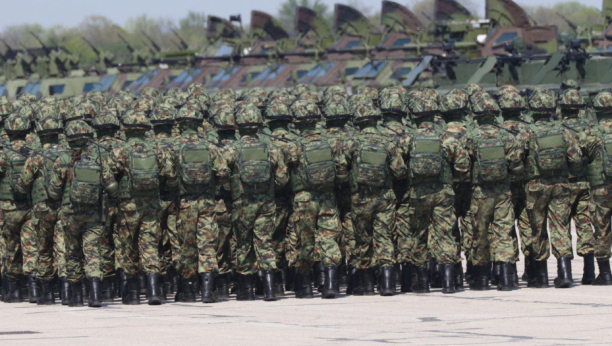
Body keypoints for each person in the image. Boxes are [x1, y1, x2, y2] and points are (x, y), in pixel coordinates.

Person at [397, 97, 470, 293]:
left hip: (418, 194)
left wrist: (410, 176)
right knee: (445, 234)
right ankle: (448, 282)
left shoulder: (407, 139)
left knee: (419, 235)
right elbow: (463, 166)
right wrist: (449, 180)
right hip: (443, 193)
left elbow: (397, 168)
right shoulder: (446, 138)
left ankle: (421, 284)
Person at [48, 120, 118, 307]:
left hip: (70, 213)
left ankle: (76, 296)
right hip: (93, 213)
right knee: (92, 251)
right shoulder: (98, 160)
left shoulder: (62, 160)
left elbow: (53, 192)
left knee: (72, 252)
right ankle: (95, 295)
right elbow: (112, 187)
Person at [109, 110, 173, 304]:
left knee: (128, 246)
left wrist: (115, 194)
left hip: (128, 205)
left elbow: (108, 175)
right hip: (151, 204)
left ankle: (133, 293)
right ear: (146, 129)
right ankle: (153, 290)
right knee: (150, 245)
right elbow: (168, 174)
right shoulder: (157, 149)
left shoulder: (120, 150)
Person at [225, 104, 288, 301]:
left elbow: (220, 173)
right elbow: (282, 179)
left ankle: (246, 290)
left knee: (244, 244)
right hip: (266, 203)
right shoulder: (271, 147)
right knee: (265, 242)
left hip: (242, 203)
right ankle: (269, 289)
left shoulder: (232, 149)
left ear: (239, 126)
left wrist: (233, 187)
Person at [345, 102, 407, 296]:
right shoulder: (388, 142)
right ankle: (387, 284)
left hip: (360, 197)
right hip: (385, 197)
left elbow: (339, 170)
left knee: (363, 239)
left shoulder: (352, 142)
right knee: (385, 237)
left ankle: (367, 284)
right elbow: (399, 171)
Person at [464, 92, 524, 291]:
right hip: (503, 193)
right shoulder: (506, 135)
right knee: (503, 232)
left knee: (479, 233)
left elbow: (463, 166)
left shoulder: (471, 136)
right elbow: (516, 164)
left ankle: (481, 279)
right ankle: (506, 279)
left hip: (480, 193)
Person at [288, 100, 347, 299]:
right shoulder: (330, 142)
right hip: (327, 197)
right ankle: (331, 284)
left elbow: (282, 176)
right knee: (329, 238)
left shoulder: (293, 145)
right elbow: (341, 171)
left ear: (296, 121)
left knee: (305, 241)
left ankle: (305, 286)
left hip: (303, 198)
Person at [524, 90, 582, 289]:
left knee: (537, 227)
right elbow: (575, 159)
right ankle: (564, 273)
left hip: (536, 185)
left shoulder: (528, 132)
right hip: (560, 184)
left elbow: (514, 158)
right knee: (560, 226)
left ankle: (540, 277)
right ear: (551, 109)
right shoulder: (563, 131)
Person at [171, 106, 228, 303]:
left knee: (187, 245)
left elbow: (167, 176)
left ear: (180, 124)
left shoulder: (173, 146)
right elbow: (222, 173)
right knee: (207, 244)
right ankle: (207, 290)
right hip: (207, 202)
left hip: (185, 203)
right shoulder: (210, 146)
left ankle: (187, 291)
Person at [14, 116, 69, 304]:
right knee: (63, 247)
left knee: (44, 249)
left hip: (42, 209)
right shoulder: (68, 154)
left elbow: (22, 186)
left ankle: (46, 293)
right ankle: (66, 290)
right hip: (64, 208)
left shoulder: (35, 157)